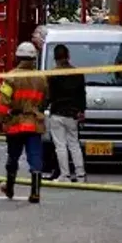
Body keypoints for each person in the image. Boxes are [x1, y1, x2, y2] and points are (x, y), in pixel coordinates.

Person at [0, 42, 49, 203]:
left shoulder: (11, 77)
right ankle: (35, 193)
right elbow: (45, 100)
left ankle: (10, 187)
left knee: (13, 157)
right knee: (35, 157)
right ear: (34, 58)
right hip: (34, 123)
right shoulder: (42, 78)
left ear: (18, 57)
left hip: (15, 122)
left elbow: (3, 102)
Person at [47, 44, 87, 182]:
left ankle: (65, 175)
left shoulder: (52, 74)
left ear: (55, 58)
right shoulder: (77, 74)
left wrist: (42, 108)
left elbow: (49, 96)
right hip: (72, 114)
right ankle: (81, 174)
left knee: (60, 146)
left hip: (57, 112)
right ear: (68, 56)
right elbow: (82, 94)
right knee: (74, 144)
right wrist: (82, 110)